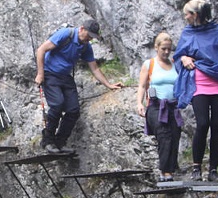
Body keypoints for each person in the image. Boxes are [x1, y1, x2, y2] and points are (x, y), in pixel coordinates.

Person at [173, 0, 218, 182]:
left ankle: (213, 170)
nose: (185, 17)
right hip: (198, 82)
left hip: (217, 81)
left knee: (217, 125)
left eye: (188, 14)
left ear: (196, 15)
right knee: (202, 123)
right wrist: (184, 57)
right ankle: (196, 168)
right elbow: (178, 55)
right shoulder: (188, 32)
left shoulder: (217, 31)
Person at [34, 19, 123, 154]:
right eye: (88, 35)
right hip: (50, 74)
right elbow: (41, 50)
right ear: (81, 29)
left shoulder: (86, 46)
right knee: (57, 105)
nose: (89, 39)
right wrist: (40, 74)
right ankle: (47, 141)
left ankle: (60, 143)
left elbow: (95, 69)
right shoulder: (65, 34)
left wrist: (109, 85)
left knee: (73, 110)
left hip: (65, 77)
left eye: (92, 37)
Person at [136, 32, 182, 182]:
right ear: (156, 48)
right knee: (164, 135)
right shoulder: (150, 64)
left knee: (175, 135)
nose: (167, 52)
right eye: (163, 49)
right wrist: (139, 103)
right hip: (156, 107)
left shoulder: (174, 64)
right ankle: (165, 171)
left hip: (172, 106)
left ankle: (171, 169)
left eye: (169, 49)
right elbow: (142, 85)